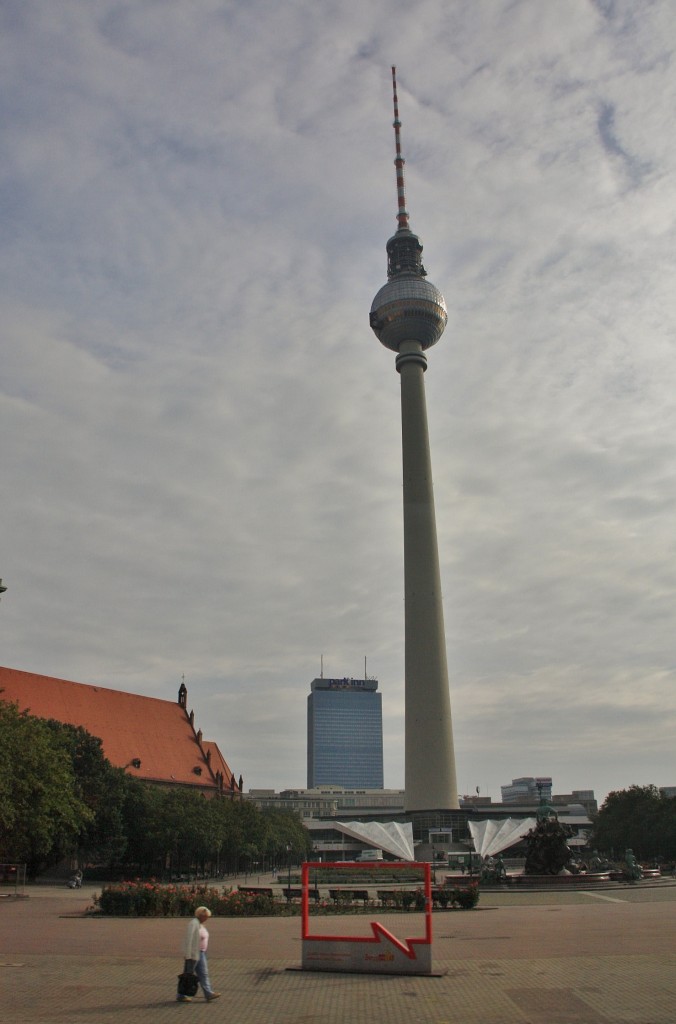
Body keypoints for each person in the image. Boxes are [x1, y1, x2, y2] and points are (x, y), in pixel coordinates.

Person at [177, 906, 221, 1002]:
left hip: (201, 953)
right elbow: (188, 940)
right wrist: (188, 955)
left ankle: (208, 993)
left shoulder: (201, 924)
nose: (207, 918)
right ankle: (181, 994)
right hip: (193, 953)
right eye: (205, 916)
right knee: (188, 974)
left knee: (204, 973)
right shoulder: (193, 924)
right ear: (200, 915)